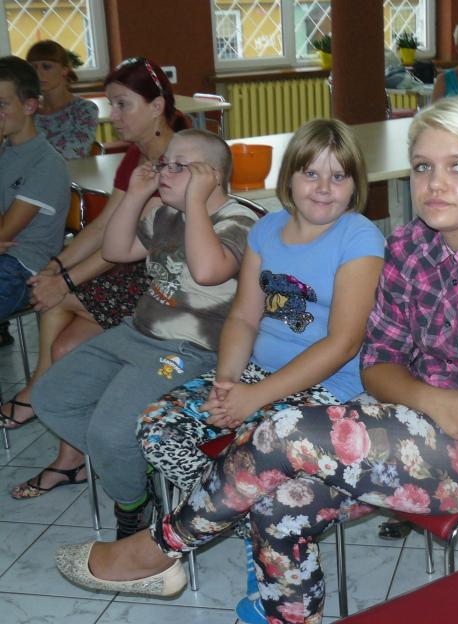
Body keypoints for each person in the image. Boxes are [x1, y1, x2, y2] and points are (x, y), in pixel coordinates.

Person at [55, 94, 458, 622]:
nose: (435, 184)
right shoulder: (410, 248)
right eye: (423, 167)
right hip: (417, 422)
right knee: (277, 505)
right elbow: (378, 363)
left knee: (280, 431)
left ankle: (156, 549)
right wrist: (429, 398)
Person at [136, 119, 384, 623]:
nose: (323, 187)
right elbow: (244, 317)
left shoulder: (360, 236)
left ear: (355, 185)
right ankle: (251, 527)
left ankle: (263, 551)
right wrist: (227, 383)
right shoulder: (267, 229)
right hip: (255, 376)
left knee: (254, 450)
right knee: (157, 428)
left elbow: (342, 343)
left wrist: (255, 397)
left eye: (338, 176)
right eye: (311, 173)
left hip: (327, 388)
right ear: (288, 177)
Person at [32, 129, 258, 537]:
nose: (164, 173)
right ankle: (136, 464)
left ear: (212, 177)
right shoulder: (165, 214)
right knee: (51, 397)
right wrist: (135, 196)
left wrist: (195, 203)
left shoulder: (240, 220)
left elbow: (208, 271)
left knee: (109, 431)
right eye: (164, 163)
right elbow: (115, 251)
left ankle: (132, 504)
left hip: (190, 348)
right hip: (136, 333)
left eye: (179, 166)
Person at [4, 58, 186, 498]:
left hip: (171, 285)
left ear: (156, 106)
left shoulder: (180, 158)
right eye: (112, 104)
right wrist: (57, 266)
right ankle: (71, 460)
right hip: (132, 271)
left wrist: (65, 281)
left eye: (123, 105)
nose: (113, 116)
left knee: (57, 298)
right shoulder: (135, 156)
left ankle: (34, 394)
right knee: (64, 343)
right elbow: (104, 227)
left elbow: (130, 242)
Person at [0, 55, 70, 322]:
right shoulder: (6, 151)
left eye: (2, 104)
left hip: (22, 268)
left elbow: (5, 232)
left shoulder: (47, 163)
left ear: (29, 106)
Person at [27, 40, 98, 160]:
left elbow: (76, 150)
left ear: (64, 70)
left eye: (46, 67)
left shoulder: (84, 109)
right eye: (33, 68)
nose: (38, 73)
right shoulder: (28, 109)